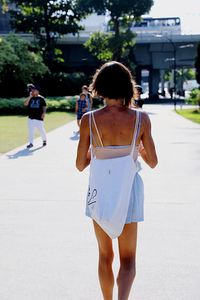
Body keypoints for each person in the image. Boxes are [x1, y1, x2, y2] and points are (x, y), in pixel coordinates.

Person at [76, 61, 158, 300]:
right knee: (128, 259)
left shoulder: (89, 120)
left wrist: (99, 150)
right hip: (129, 190)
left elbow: (81, 164)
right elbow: (152, 161)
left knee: (104, 256)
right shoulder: (141, 119)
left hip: (99, 192)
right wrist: (137, 148)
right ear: (127, 86)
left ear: (99, 86)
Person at [24, 84, 47, 148]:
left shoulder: (41, 98)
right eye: (32, 90)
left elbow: (44, 106)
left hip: (39, 117)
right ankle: (31, 143)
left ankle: (44, 140)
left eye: (34, 90)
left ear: (38, 91)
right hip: (31, 118)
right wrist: (30, 97)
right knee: (31, 131)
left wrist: (44, 113)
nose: (33, 91)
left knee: (41, 130)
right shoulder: (30, 98)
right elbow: (25, 104)